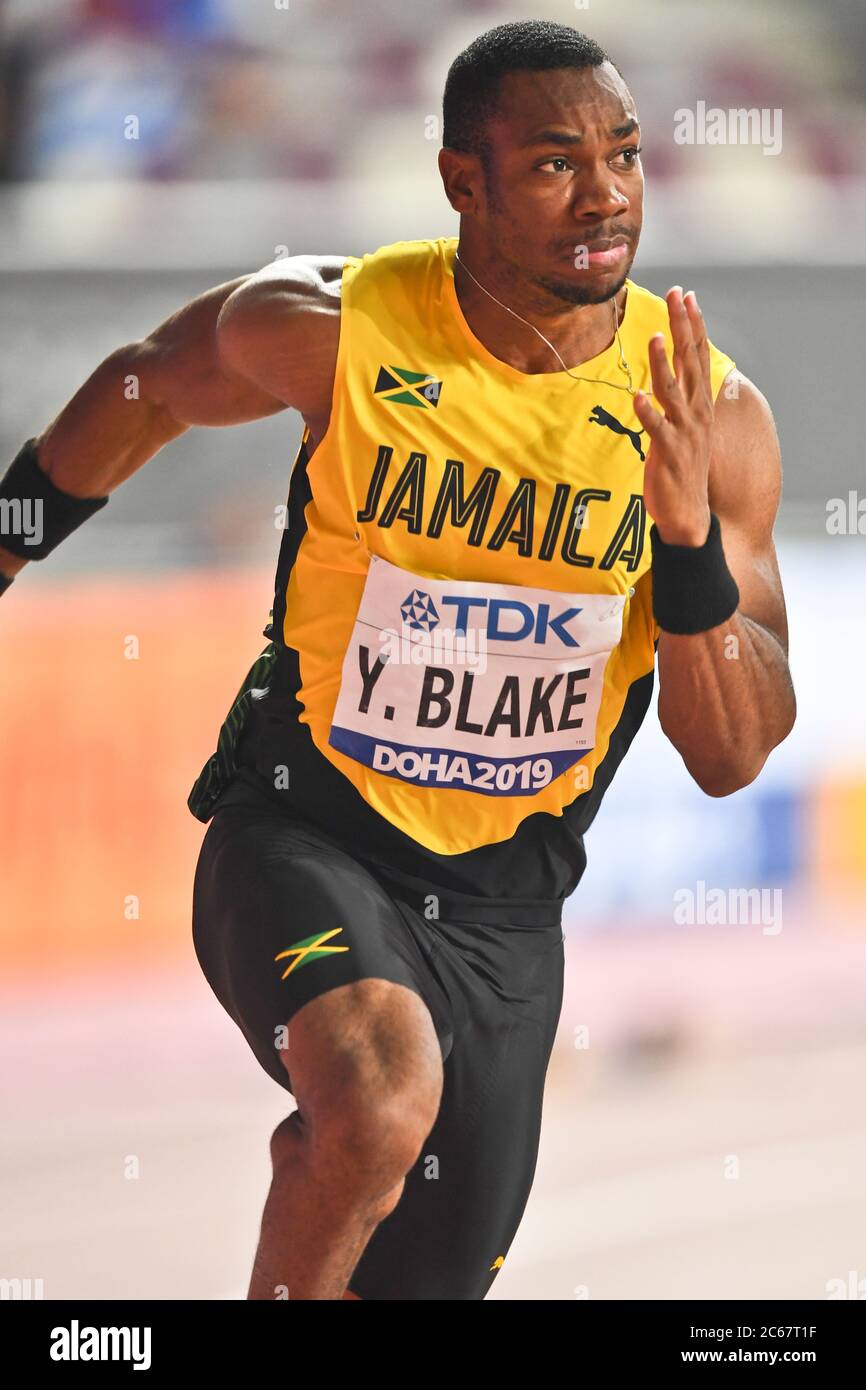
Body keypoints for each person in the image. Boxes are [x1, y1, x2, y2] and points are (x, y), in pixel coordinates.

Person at [0, 21, 796, 1300]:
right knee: (375, 1100)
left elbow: (731, 753)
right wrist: (4, 546)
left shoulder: (704, 415)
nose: (601, 195)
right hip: (303, 832)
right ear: (459, 182)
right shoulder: (337, 326)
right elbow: (147, 385)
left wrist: (687, 547)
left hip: (501, 911)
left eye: (624, 157)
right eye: (550, 164)